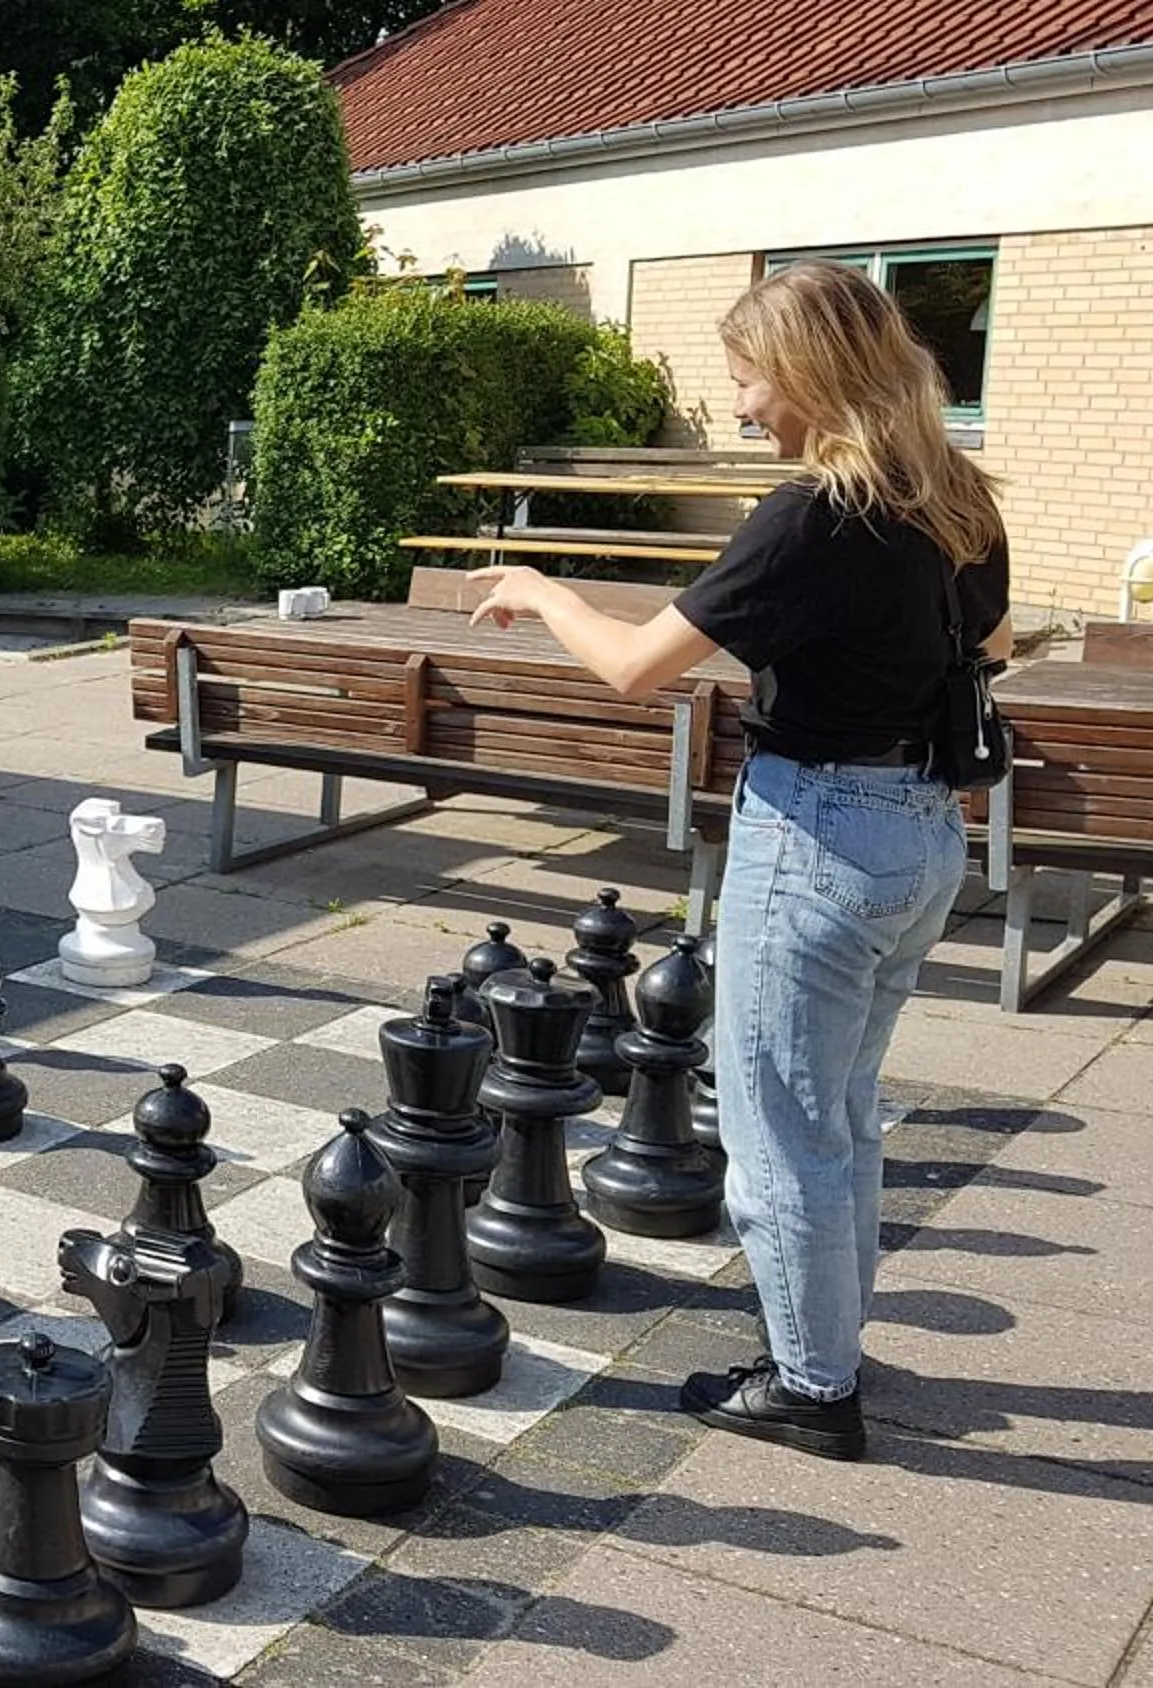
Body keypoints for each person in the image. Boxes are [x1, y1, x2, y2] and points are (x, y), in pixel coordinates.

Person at [463, 261, 1012, 1460]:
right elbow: (994, 636)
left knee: (779, 1127)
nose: (745, 406)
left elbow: (633, 667)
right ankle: (832, 1345)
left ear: (812, 373)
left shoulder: (817, 510)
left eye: (751, 378)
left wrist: (538, 586)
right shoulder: (953, 495)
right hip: (924, 831)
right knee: (845, 1115)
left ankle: (813, 1387)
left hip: (817, 832)